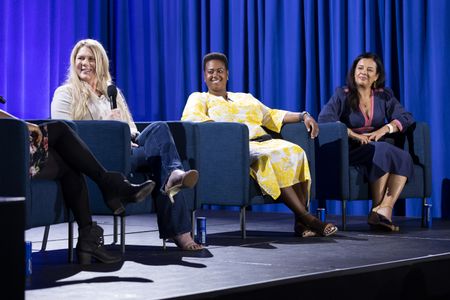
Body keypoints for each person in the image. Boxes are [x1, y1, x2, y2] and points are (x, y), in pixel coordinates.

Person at [51, 39, 202, 251]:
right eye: (80, 58)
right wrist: (109, 124)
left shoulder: (113, 93)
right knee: (161, 161)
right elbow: (66, 132)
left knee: (159, 131)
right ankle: (181, 233)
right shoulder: (65, 93)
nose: (85, 63)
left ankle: (174, 175)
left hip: (128, 148)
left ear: (101, 63)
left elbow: (131, 130)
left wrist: (123, 129)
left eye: (91, 59)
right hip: (97, 157)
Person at [181, 52, 338, 237]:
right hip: (237, 148)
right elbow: (192, 120)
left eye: (220, 70)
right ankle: (309, 219)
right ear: (204, 75)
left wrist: (304, 115)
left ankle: (300, 222)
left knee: (296, 151)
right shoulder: (199, 98)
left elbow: (271, 115)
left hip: (265, 142)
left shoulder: (245, 98)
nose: (215, 75)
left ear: (228, 74)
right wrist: (229, 135)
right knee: (272, 158)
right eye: (211, 71)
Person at [0, 109, 155, 264]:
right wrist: (22, 126)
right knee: (60, 129)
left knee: (70, 162)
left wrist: (20, 125)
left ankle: (89, 235)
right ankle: (111, 187)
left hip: (12, 149)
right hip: (7, 153)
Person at [318, 52, 415, 232]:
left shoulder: (383, 96)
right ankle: (376, 211)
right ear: (354, 72)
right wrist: (355, 135)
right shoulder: (342, 94)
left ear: (376, 77)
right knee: (383, 150)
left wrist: (385, 129)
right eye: (360, 68)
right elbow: (325, 120)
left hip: (377, 146)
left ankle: (384, 209)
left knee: (403, 156)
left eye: (370, 70)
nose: (363, 72)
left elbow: (406, 117)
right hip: (351, 148)